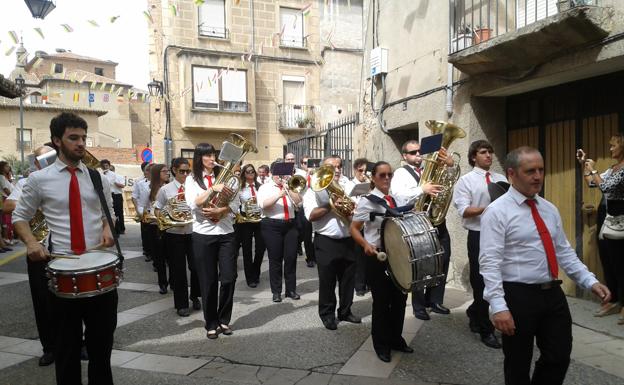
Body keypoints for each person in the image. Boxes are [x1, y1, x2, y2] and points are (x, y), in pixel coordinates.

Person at [480, 146, 611, 385]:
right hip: (517, 295)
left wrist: (589, 281)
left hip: (552, 294)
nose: (538, 176)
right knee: (518, 365)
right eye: (530, 171)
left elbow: (564, 252)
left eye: (541, 169)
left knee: (558, 356)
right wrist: (498, 306)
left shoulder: (549, 209)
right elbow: (489, 263)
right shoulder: (496, 212)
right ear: (512, 174)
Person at [12, 112, 117, 385]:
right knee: (67, 352)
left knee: (101, 351)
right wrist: (32, 243)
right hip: (61, 274)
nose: (81, 143)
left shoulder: (97, 178)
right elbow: (19, 217)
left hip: (98, 270)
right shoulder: (39, 180)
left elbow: (108, 214)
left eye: (83, 138)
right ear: (57, 141)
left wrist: (107, 227)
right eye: (73, 138)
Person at [350, 161, 414, 362]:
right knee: (381, 302)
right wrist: (365, 245)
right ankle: (381, 344)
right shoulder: (367, 201)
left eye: (389, 175)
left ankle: (396, 338)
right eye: (382, 175)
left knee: (400, 300)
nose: (386, 178)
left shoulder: (394, 199)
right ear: (374, 178)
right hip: (377, 256)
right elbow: (354, 228)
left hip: (397, 255)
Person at [3, 145, 56, 366]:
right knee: (42, 301)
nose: (39, 161)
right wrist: (35, 204)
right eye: (38, 158)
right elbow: (6, 205)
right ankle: (50, 348)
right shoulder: (27, 182)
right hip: (39, 249)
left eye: (45, 157)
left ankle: (79, 342)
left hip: (68, 248)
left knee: (73, 301)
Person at [452, 140, 506, 349]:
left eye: (491, 152)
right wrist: (490, 208)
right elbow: (464, 210)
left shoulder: (500, 178)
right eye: (484, 152)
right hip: (478, 235)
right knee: (481, 280)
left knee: (500, 278)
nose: (489, 156)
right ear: (474, 156)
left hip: (500, 235)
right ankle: (486, 329)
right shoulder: (466, 181)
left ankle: (475, 311)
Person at [185, 143, 239, 339]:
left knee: (228, 277)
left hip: (226, 233)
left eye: (213, 154)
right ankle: (211, 322)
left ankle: (224, 320)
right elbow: (194, 202)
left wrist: (221, 210)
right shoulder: (192, 179)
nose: (211, 158)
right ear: (199, 158)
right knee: (208, 281)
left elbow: (236, 203)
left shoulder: (225, 176)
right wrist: (212, 189)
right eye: (206, 155)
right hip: (203, 234)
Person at [390, 139, 448, 321]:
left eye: (419, 152)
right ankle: (419, 305)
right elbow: (399, 196)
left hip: (437, 220)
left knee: (442, 259)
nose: (417, 155)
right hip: (417, 223)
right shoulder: (400, 173)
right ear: (404, 156)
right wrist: (422, 189)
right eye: (413, 152)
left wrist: (448, 166)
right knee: (421, 262)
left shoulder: (429, 169)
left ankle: (435, 300)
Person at [304, 155, 360, 330]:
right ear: (323, 169)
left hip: (349, 239)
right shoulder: (314, 189)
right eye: (331, 167)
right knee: (327, 281)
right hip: (326, 241)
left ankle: (345, 311)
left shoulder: (349, 185)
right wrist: (331, 204)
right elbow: (311, 216)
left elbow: (358, 208)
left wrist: (353, 208)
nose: (336, 170)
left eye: (339, 166)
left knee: (348, 279)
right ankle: (327, 314)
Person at [578, 133, 624, 324]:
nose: (610, 149)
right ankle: (614, 299)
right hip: (609, 220)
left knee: (622, 263)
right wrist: (585, 165)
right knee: (610, 261)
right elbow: (591, 183)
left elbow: (606, 188)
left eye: (613, 146)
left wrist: (594, 169)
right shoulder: (613, 168)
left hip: (621, 220)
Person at [154, 158, 201, 317]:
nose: (186, 174)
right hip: (174, 234)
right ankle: (181, 304)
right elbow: (157, 208)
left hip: (193, 232)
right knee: (178, 270)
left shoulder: (194, 188)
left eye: (188, 171)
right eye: (182, 171)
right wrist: (165, 220)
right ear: (174, 170)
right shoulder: (165, 189)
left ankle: (195, 296)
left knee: (196, 267)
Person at [257, 161, 302, 303]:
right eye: (277, 173)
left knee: (291, 258)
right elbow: (263, 205)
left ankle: (291, 290)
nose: (280, 176)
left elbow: (299, 204)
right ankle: (276, 291)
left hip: (290, 224)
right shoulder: (265, 187)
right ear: (271, 173)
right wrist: (279, 194)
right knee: (275, 259)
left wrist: (289, 190)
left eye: (283, 173)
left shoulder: (291, 186)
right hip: (272, 225)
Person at [236, 164, 266, 288]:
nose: (250, 173)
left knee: (260, 249)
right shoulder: (240, 188)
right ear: (244, 173)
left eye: (252, 171)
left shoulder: (261, 187)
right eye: (247, 171)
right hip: (245, 220)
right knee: (247, 250)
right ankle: (250, 278)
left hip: (259, 219)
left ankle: (256, 271)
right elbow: (236, 204)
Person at [147, 164, 170, 294]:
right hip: (155, 226)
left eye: (168, 171)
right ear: (157, 173)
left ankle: (173, 281)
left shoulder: (170, 187)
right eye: (164, 171)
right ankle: (162, 283)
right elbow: (143, 206)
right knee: (159, 257)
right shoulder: (147, 188)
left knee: (172, 257)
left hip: (170, 225)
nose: (167, 173)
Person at [351, 157, 370, 296]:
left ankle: (370, 281)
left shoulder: (371, 183)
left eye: (366, 170)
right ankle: (359, 285)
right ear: (355, 170)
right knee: (358, 256)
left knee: (369, 255)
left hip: (370, 223)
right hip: (357, 223)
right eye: (360, 170)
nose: (363, 173)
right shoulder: (349, 184)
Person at [295, 155, 315, 267]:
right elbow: (299, 189)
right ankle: (310, 258)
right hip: (305, 205)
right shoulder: (299, 175)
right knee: (306, 233)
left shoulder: (317, 174)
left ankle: (315, 255)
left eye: (310, 163)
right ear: (302, 165)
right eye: (306, 163)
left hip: (316, 205)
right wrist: (307, 175)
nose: (308, 165)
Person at [132, 162, 152, 261]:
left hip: (156, 211)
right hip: (144, 210)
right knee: (146, 233)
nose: (149, 172)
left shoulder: (162, 182)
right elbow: (134, 197)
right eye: (147, 170)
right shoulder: (140, 183)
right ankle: (147, 252)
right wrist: (137, 210)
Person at [100, 160, 126, 235]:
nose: (106, 168)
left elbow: (119, 184)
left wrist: (114, 182)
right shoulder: (101, 174)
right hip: (106, 195)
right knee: (106, 212)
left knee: (118, 213)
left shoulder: (114, 175)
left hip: (116, 195)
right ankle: (110, 228)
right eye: (104, 166)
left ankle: (120, 228)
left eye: (107, 166)